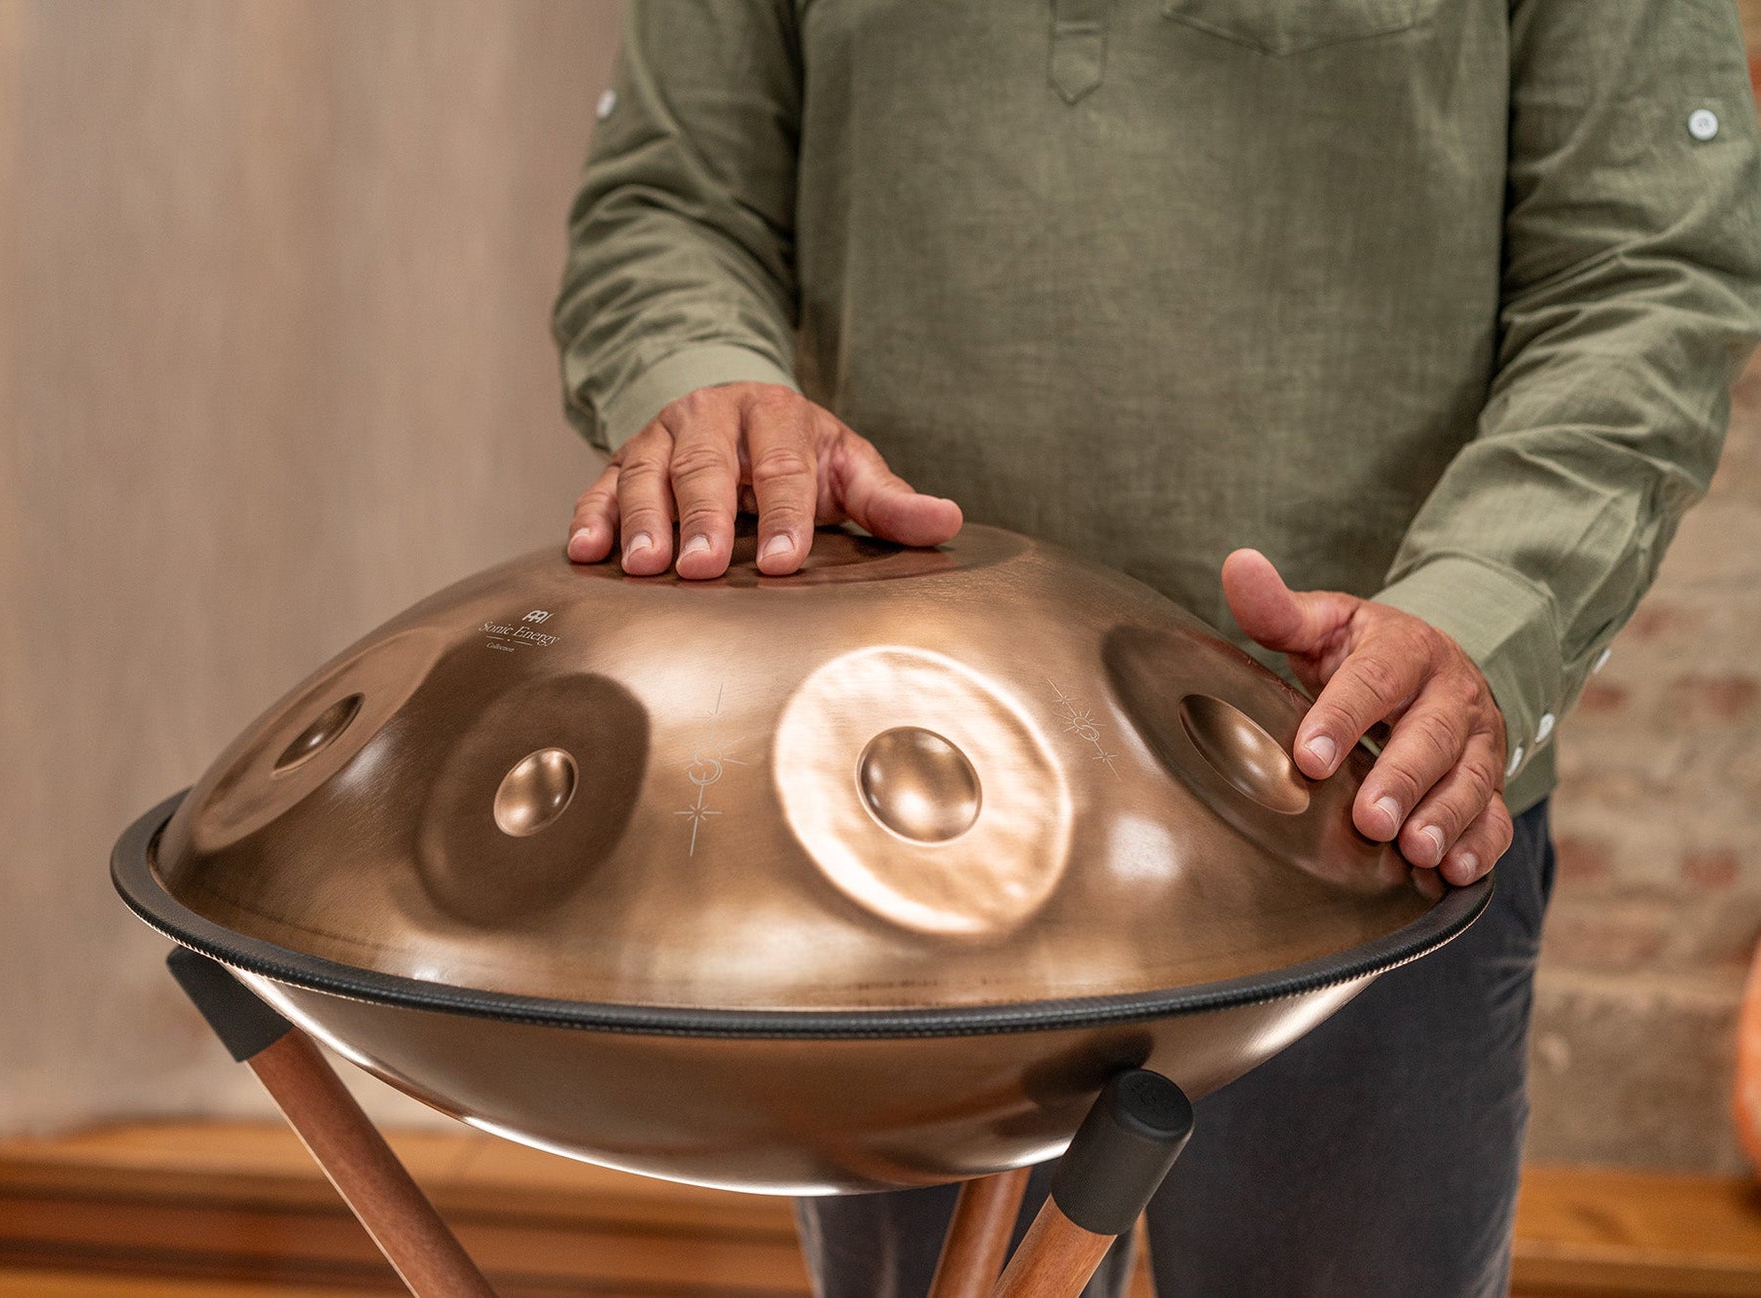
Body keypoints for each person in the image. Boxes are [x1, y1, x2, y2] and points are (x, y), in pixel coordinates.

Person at [551, 3, 1761, 1294]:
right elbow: (672, 200)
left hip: (1362, 795)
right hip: (895, 811)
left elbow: (1647, 267)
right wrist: (711, 387)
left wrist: (1485, 608)